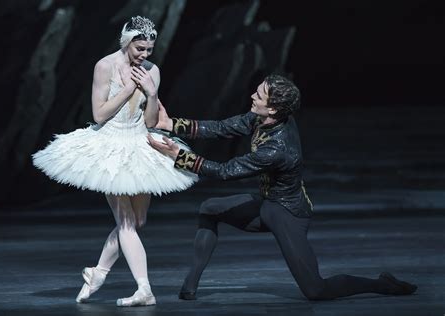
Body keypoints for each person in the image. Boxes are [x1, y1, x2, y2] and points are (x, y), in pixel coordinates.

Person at [147, 74, 417, 301]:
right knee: (209, 209)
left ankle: (381, 284)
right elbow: (222, 127)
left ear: (273, 108)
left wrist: (178, 156)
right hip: (266, 204)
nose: (253, 95)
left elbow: (226, 171)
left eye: (259, 94)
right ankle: (189, 288)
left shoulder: (278, 148)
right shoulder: (263, 118)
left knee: (315, 290)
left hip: (288, 214)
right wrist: (171, 124)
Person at [32, 16, 197, 307]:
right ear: (127, 41)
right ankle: (144, 289)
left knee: (138, 221)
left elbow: (150, 120)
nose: (145, 55)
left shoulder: (152, 70)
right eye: (140, 49)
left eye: (149, 49)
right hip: (110, 144)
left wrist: (152, 92)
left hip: (139, 141)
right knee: (126, 222)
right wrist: (129, 89)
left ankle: (97, 273)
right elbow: (99, 115)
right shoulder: (105, 66)